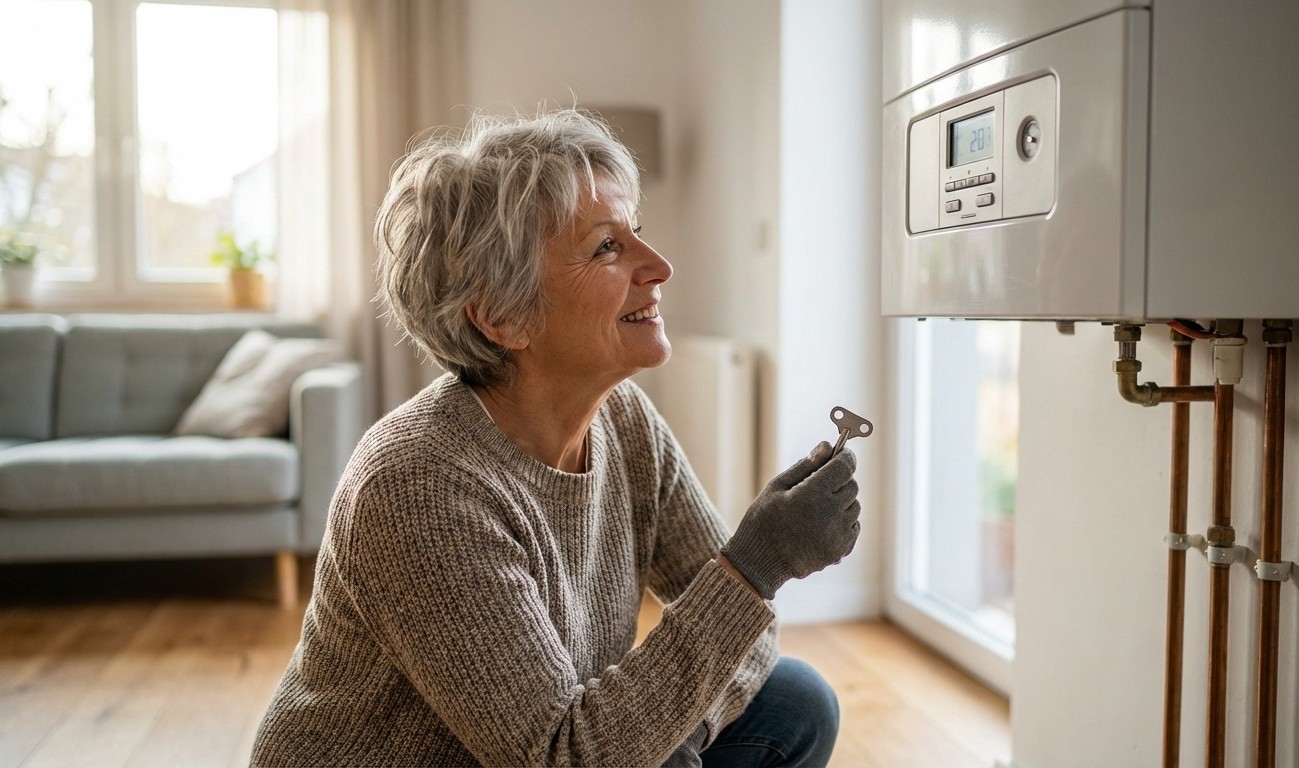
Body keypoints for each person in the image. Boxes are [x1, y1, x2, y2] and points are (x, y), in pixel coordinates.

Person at [251, 108, 862, 767]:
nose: (658, 266)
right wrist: (754, 564)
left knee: (794, 700)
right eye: (607, 247)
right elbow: (558, 758)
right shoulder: (418, 485)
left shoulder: (624, 422)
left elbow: (743, 637)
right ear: (503, 317)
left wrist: (677, 739)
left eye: (637, 234)